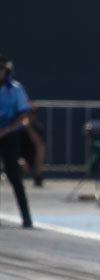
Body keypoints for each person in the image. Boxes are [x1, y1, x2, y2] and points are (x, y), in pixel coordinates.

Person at [0, 55, 33, 227]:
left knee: (14, 176)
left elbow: (23, 113)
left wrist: (7, 130)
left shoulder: (15, 88)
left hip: (9, 135)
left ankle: (26, 217)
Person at [18, 105, 46, 186]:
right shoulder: (18, 127)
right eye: (28, 113)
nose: (30, 115)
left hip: (32, 158)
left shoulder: (38, 127)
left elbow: (38, 142)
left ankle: (38, 176)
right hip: (20, 157)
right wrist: (19, 159)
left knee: (41, 148)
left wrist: (28, 128)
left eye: (32, 113)